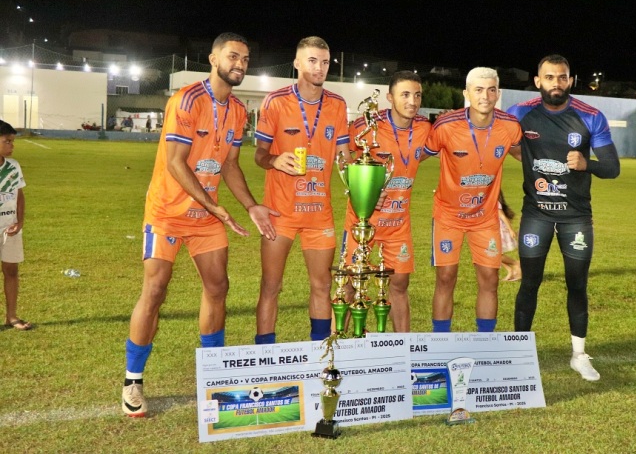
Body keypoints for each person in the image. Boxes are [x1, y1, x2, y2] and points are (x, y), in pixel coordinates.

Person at [122, 33, 278, 417]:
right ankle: (132, 380)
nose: (240, 64)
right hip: (167, 212)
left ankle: (213, 374)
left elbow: (230, 165)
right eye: (233, 56)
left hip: (206, 217)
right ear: (213, 59)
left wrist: (251, 205)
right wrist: (214, 205)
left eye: (245, 58)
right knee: (155, 290)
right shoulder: (187, 100)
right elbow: (175, 163)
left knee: (218, 286)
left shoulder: (238, 110)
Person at [507, 54, 620, 382]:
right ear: (537, 81)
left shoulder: (590, 116)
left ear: (570, 80)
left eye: (562, 77)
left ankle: (579, 355)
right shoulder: (519, 113)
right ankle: (519, 355)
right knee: (530, 283)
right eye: (549, 77)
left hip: (576, 217)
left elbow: (612, 168)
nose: (556, 83)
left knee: (577, 284)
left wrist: (587, 164)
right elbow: (497, 142)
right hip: (536, 213)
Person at [254, 36, 350, 344]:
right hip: (280, 213)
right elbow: (259, 154)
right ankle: (265, 354)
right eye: (312, 61)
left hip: (319, 214)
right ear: (296, 63)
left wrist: (366, 183)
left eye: (325, 62)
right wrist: (273, 160)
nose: (320, 67)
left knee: (322, 285)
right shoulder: (275, 101)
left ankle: (319, 353)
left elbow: (345, 160)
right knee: (271, 286)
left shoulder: (337, 104)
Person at [424, 67, 522, 332]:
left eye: (491, 90)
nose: (485, 96)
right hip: (448, 216)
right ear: (466, 93)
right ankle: (440, 340)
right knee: (446, 278)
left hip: (485, 217)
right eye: (478, 90)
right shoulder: (446, 125)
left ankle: (486, 341)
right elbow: (416, 156)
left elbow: (526, 156)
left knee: (489, 279)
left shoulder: (510, 126)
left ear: (498, 94)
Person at [341, 71, 431, 332]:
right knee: (350, 283)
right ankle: (340, 342)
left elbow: (424, 153)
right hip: (363, 221)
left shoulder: (424, 127)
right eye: (405, 94)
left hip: (398, 223)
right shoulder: (366, 126)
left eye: (417, 95)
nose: (412, 101)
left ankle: (402, 346)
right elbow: (345, 161)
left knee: (400, 285)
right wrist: (364, 190)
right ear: (390, 97)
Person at [0, 121, 30, 332]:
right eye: (7, 141)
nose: (12, 145)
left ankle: (11, 316)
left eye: (12, 141)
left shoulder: (13, 166)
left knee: (11, 270)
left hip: (9, 227)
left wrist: (19, 222)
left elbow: (19, 196)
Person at [498, 189, 521, 282]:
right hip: (490, 230)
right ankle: (510, 270)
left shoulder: (494, 203)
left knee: (494, 254)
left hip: (498, 231)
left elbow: (502, 216)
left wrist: (511, 230)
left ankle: (516, 263)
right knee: (492, 254)